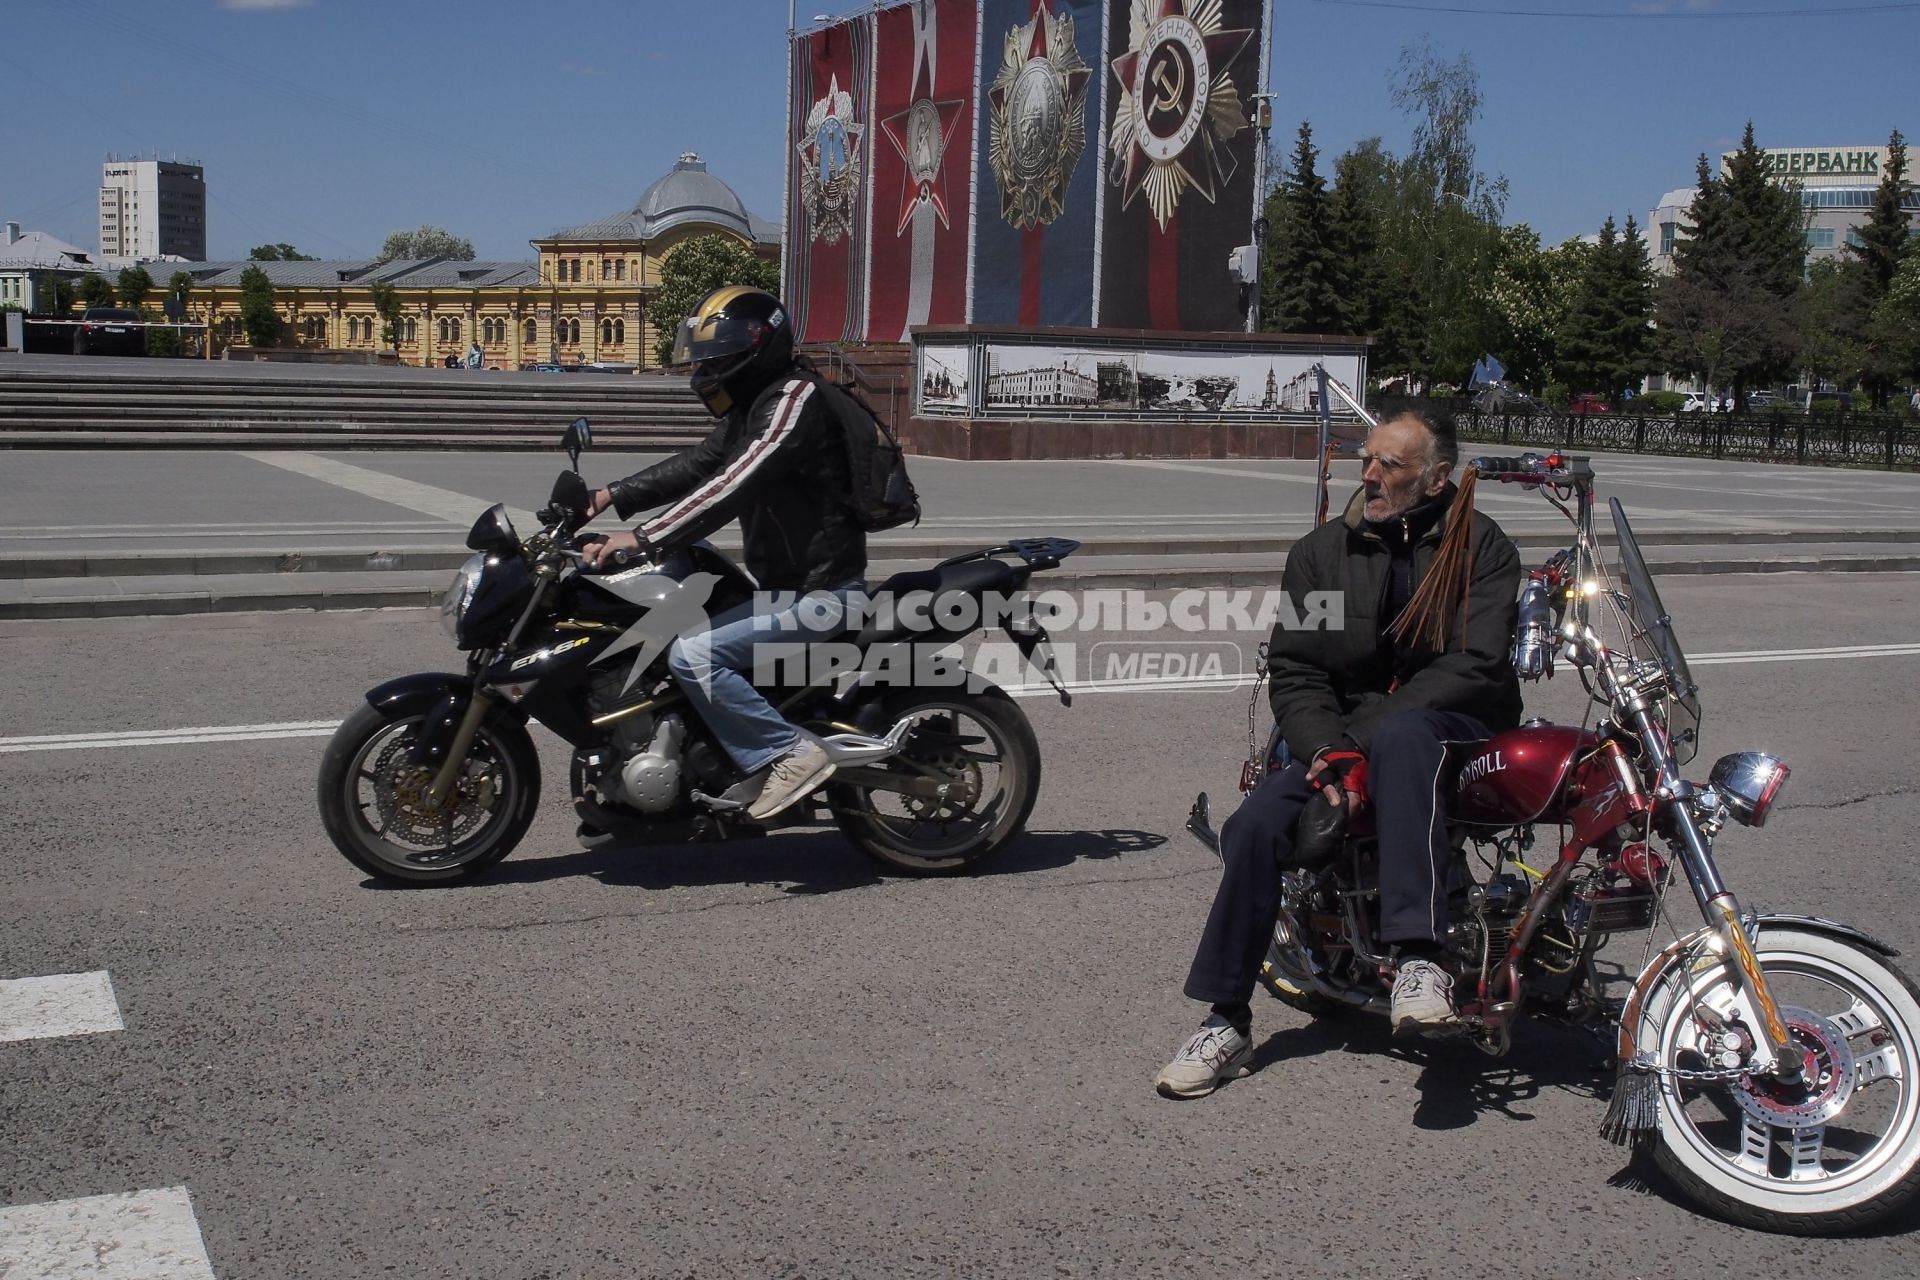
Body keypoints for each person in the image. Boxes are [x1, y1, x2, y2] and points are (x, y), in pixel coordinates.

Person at [1154, 410, 1523, 1099]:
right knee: (1258, 823)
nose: (1371, 473)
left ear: (1438, 478)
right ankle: (1225, 1019)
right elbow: (1298, 673)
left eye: (1392, 464)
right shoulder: (1322, 554)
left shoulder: (1482, 549)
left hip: (1456, 726)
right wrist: (1327, 750)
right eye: (1367, 458)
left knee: (1410, 736)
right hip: (1342, 738)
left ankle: (1420, 958)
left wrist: (1359, 743)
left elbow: (1474, 664)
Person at [579, 286, 865, 823]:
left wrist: (642, 538)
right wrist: (609, 496)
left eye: (720, 356)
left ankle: (789, 753)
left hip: (822, 592)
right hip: (786, 587)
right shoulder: (755, 404)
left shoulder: (793, 400)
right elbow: (701, 462)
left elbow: (731, 483)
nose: (708, 368)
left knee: (695, 655)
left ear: (761, 348)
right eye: (704, 356)